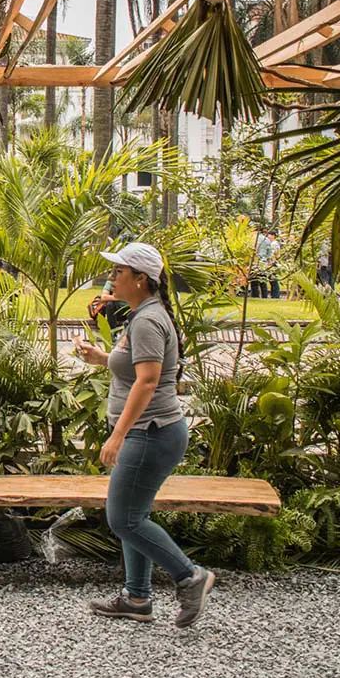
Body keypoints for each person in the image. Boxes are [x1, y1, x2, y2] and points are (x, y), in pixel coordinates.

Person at [74, 242, 215, 628]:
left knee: (123, 519)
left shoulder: (148, 320)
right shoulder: (142, 315)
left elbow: (149, 381)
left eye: (120, 271)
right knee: (134, 514)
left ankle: (190, 576)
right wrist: (102, 358)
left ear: (141, 278)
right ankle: (137, 597)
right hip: (149, 432)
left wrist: (118, 435)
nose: (112, 277)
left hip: (149, 433)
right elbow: (137, 369)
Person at [249, 228, 271, 299]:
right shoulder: (267, 240)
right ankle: (264, 296)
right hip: (263, 262)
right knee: (263, 282)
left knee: (254, 282)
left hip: (254, 262)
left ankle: (255, 296)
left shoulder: (252, 239)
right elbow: (269, 253)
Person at [266, 230, 281, 299]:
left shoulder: (273, 244)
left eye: (269, 235)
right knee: (272, 280)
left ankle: (275, 295)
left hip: (273, 263)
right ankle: (274, 294)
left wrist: (270, 262)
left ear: (273, 236)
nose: (268, 236)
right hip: (273, 263)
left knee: (273, 280)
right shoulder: (273, 243)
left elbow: (272, 254)